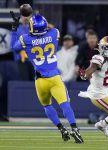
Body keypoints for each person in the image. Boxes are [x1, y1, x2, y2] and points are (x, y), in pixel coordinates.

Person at [12, 14, 84, 143]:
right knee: (65, 104)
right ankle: (75, 129)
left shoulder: (25, 38)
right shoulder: (53, 33)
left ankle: (61, 129)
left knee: (47, 106)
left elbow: (15, 47)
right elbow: (51, 28)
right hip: (54, 77)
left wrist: (17, 28)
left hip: (40, 81)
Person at [11, 4, 34, 80]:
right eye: (24, 15)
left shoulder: (36, 29)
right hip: (22, 61)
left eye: (27, 15)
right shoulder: (16, 30)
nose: (25, 17)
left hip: (35, 60)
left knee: (36, 84)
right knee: (24, 84)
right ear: (21, 17)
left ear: (31, 16)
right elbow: (13, 47)